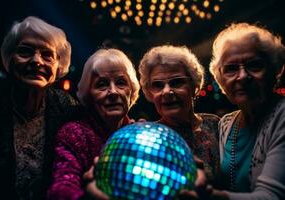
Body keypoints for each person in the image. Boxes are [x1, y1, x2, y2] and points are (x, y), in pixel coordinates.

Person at [187, 23, 285, 200]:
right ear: (221, 79)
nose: (242, 76)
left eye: (254, 65)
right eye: (231, 69)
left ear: (275, 70)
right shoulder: (226, 123)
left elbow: (271, 196)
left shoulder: (282, 116)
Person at [0, 16, 79, 199]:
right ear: (9, 58)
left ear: (58, 66)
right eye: (25, 51)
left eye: (47, 55)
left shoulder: (68, 108)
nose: (37, 61)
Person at [47, 48, 140, 199]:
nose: (113, 92)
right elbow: (60, 190)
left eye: (121, 82)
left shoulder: (142, 136)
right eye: (102, 84)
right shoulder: (73, 134)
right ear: (88, 95)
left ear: (132, 91)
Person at [138, 45, 220, 184]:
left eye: (177, 82)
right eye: (158, 85)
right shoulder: (148, 138)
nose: (167, 91)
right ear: (150, 93)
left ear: (195, 86)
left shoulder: (215, 124)